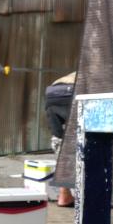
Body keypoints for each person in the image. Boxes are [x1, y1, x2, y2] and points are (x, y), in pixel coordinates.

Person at [44, 71, 76, 207]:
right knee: (86, 140)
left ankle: (64, 196)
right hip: (72, 92)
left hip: (52, 93)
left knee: (59, 141)